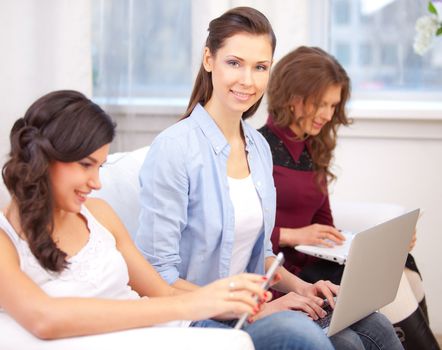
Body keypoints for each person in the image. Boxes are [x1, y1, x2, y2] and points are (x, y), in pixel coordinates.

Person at [135, 7, 401, 350]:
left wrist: (302, 288)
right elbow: (158, 277)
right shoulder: (175, 149)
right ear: (208, 59)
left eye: (260, 67)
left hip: (245, 309)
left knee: (372, 324)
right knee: (321, 338)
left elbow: (260, 254)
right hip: (197, 318)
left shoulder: (257, 147)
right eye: (235, 63)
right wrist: (256, 308)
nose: (248, 80)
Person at [0, 90, 274, 348]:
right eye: (86, 165)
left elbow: (162, 293)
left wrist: (226, 298)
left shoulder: (98, 214)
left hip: (169, 331)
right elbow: (44, 319)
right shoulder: (5, 239)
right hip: (150, 333)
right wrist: (193, 305)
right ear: (44, 158)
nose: (96, 182)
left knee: (284, 337)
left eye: (100, 167)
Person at [259, 45, 440, 349]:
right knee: (392, 281)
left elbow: (324, 221)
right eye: (321, 104)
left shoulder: (311, 148)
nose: (328, 116)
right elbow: (245, 234)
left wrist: (355, 243)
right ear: (293, 97)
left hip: (316, 264)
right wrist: (293, 235)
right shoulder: (260, 148)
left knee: (401, 263)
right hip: (287, 270)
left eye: (333, 105)